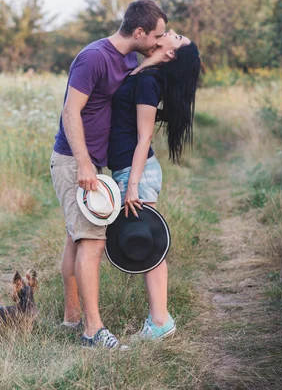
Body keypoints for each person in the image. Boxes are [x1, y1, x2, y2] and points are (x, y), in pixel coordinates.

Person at [50, 0, 168, 349]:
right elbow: (71, 111)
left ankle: (72, 318)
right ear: (139, 32)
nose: (159, 42)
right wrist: (85, 164)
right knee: (92, 239)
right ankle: (93, 331)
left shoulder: (129, 59)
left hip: (91, 161)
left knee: (76, 236)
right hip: (74, 159)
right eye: (157, 36)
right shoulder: (94, 57)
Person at [107, 29, 202, 340]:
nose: (173, 32)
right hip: (129, 169)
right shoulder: (141, 70)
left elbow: (144, 136)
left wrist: (132, 184)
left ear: (172, 53)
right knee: (147, 245)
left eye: (178, 37)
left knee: (148, 246)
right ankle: (160, 320)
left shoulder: (149, 81)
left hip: (137, 172)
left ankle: (160, 322)